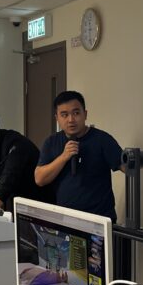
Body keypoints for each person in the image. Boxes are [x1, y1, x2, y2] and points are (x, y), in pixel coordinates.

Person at [35, 91, 123, 221]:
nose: (71, 120)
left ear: (85, 114)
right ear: (57, 118)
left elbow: (126, 166)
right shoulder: (51, 142)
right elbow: (39, 179)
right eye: (64, 115)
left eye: (76, 113)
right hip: (65, 219)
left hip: (99, 219)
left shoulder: (102, 139)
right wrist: (63, 157)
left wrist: (138, 161)